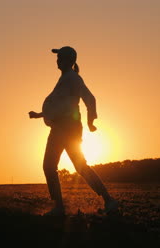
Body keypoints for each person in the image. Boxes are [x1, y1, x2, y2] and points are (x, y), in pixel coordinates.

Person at [29, 46, 119, 216]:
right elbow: (62, 106)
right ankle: (108, 200)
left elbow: (89, 99)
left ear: (68, 60)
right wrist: (39, 115)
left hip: (64, 128)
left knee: (49, 166)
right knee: (79, 166)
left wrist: (90, 121)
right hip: (67, 127)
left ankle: (59, 208)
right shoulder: (68, 78)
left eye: (60, 57)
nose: (57, 60)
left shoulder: (72, 78)